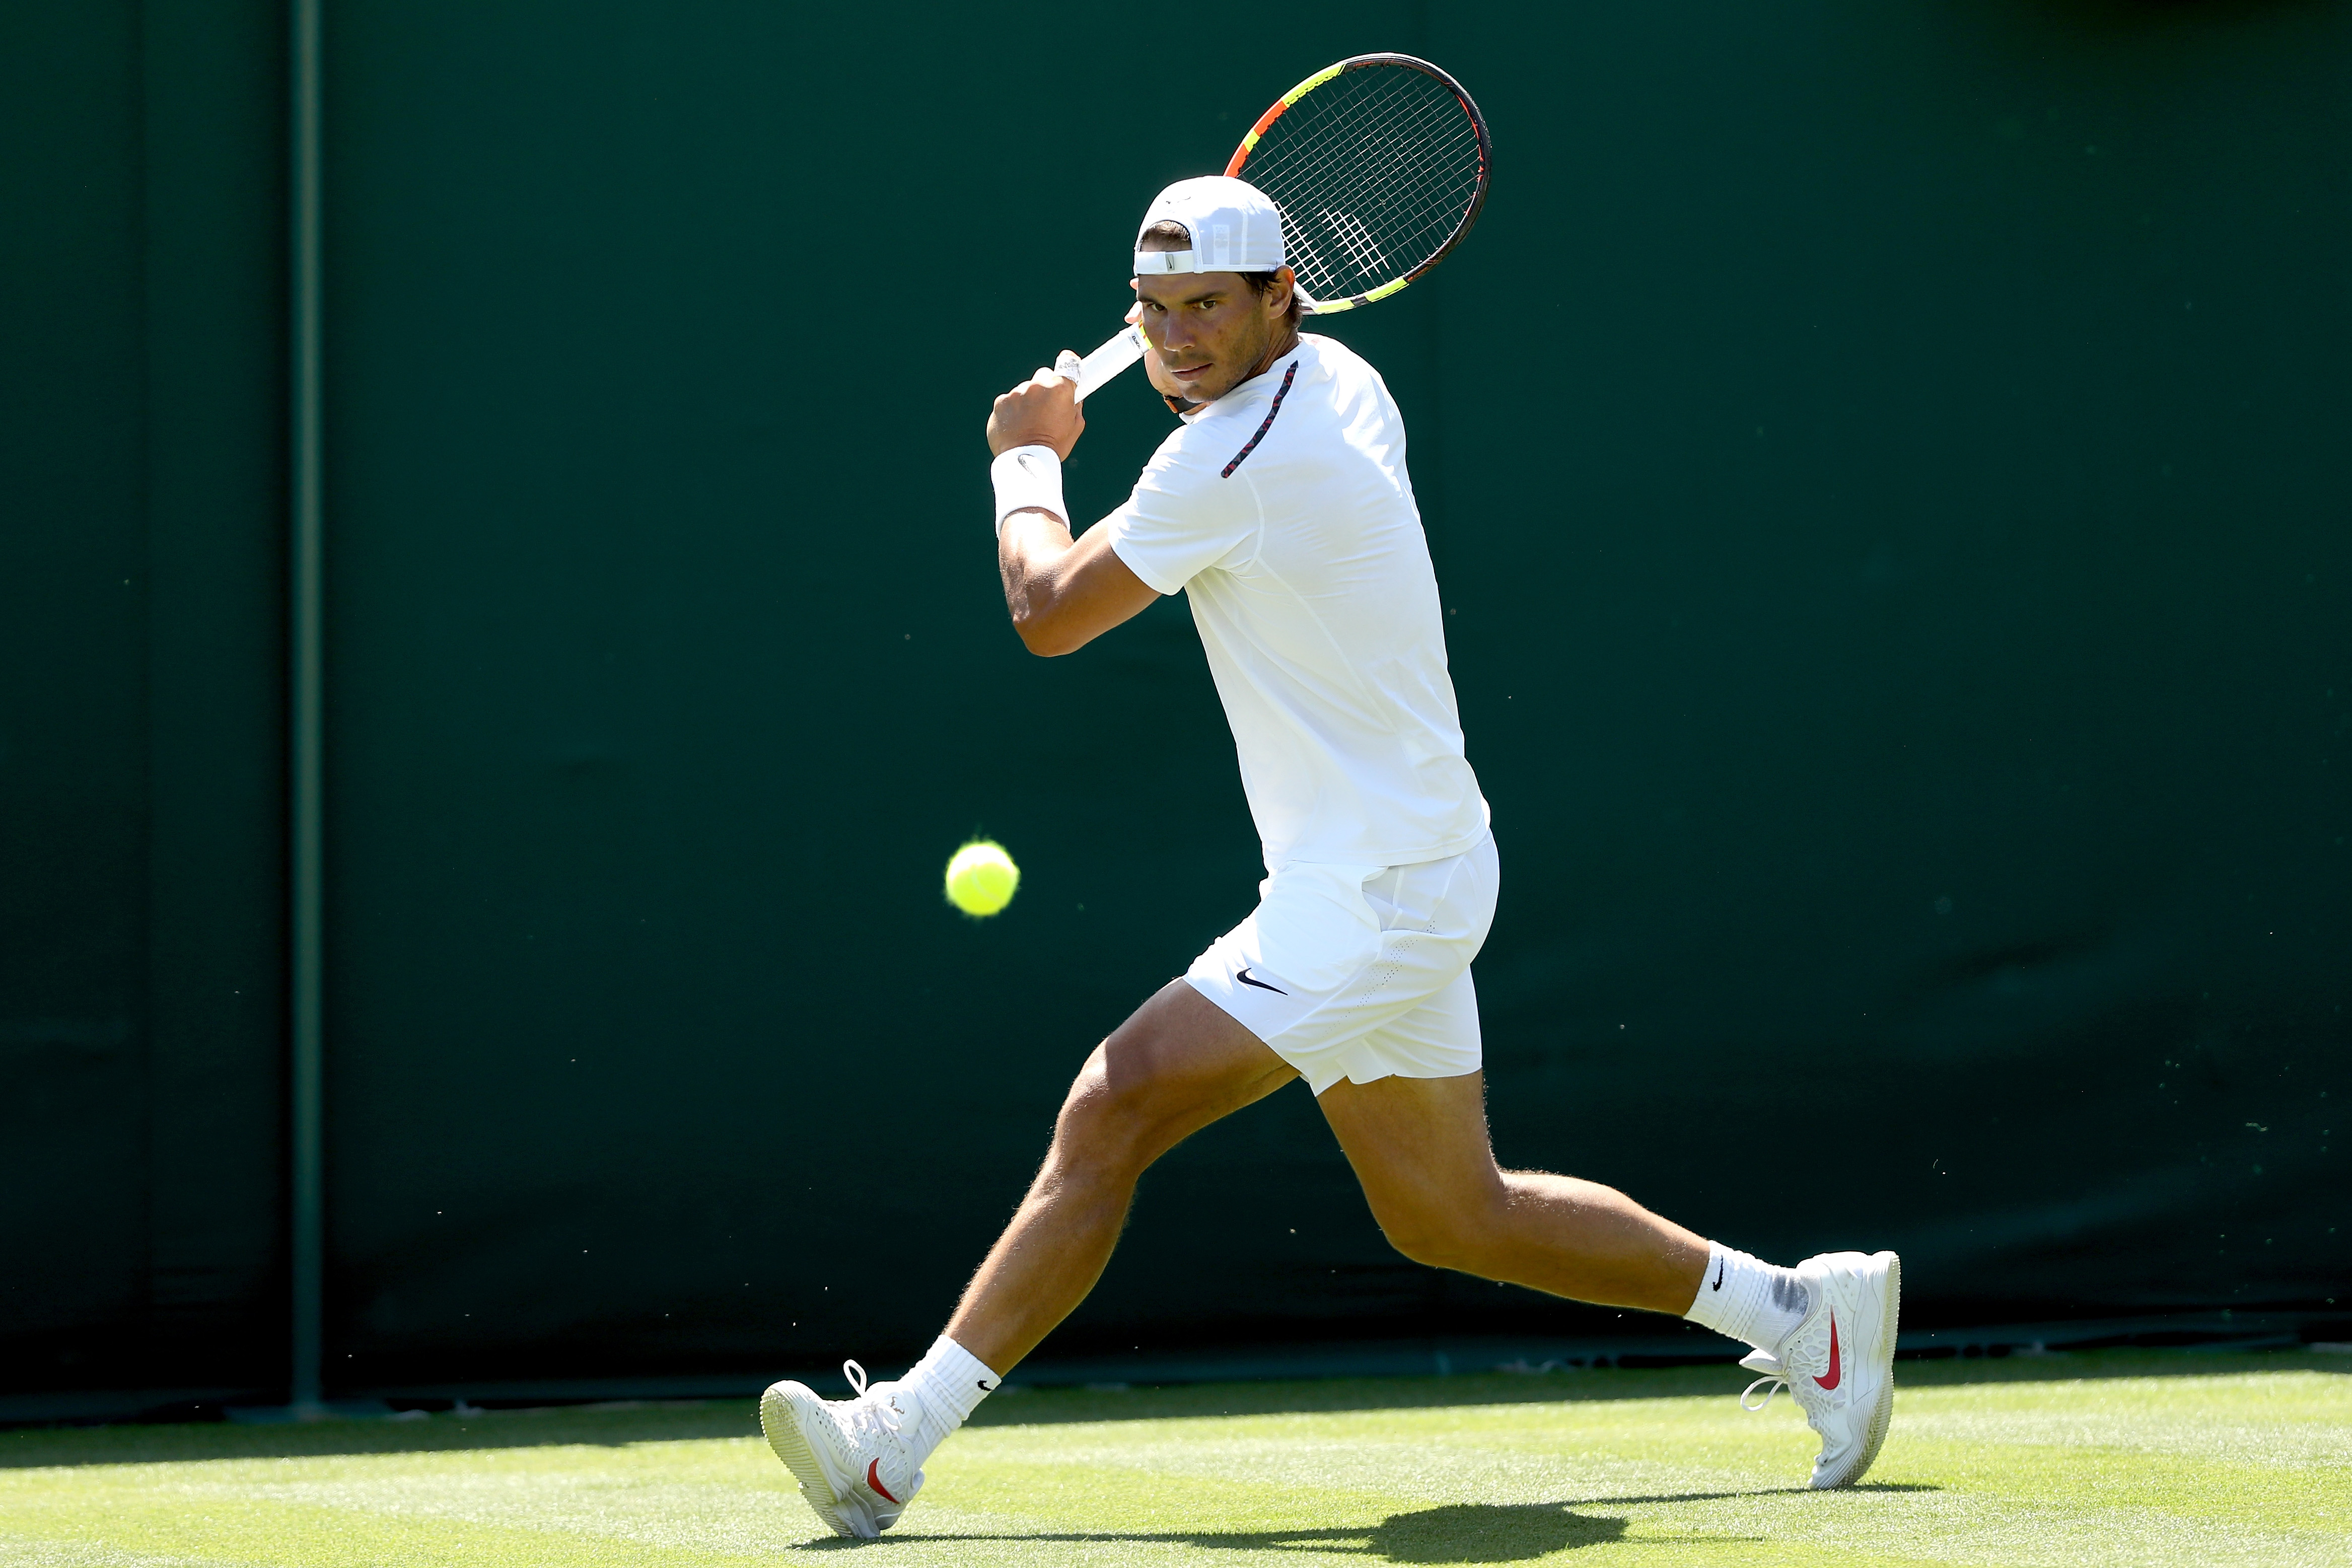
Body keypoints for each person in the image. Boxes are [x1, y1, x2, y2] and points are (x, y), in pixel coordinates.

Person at [759, 176, 1899, 1540]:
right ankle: (1804, 1312)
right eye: (1156, 310)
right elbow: (1206, 446)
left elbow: (1048, 611)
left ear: (1277, 298)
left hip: (1369, 892)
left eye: (1206, 309)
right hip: (1409, 867)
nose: (1178, 338)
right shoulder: (1340, 378)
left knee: (1111, 1108)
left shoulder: (1230, 464)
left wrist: (1024, 455)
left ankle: (893, 1440)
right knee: (1452, 1213)